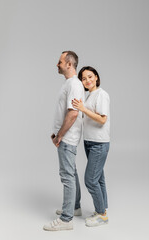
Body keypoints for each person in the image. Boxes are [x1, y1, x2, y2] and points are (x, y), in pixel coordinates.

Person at [43, 51, 84, 231]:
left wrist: (59, 135)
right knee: (71, 172)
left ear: (69, 64)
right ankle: (74, 208)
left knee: (67, 175)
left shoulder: (74, 84)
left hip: (67, 138)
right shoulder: (69, 84)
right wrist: (56, 133)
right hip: (65, 136)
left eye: (60, 62)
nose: (57, 64)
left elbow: (73, 113)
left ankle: (66, 220)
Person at [72, 66, 110, 227]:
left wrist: (82, 109)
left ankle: (102, 215)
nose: (87, 80)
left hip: (99, 143)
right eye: (83, 78)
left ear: (96, 77)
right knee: (99, 178)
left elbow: (102, 119)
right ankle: (103, 209)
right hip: (90, 142)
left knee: (90, 179)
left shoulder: (102, 94)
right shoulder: (89, 96)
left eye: (90, 76)